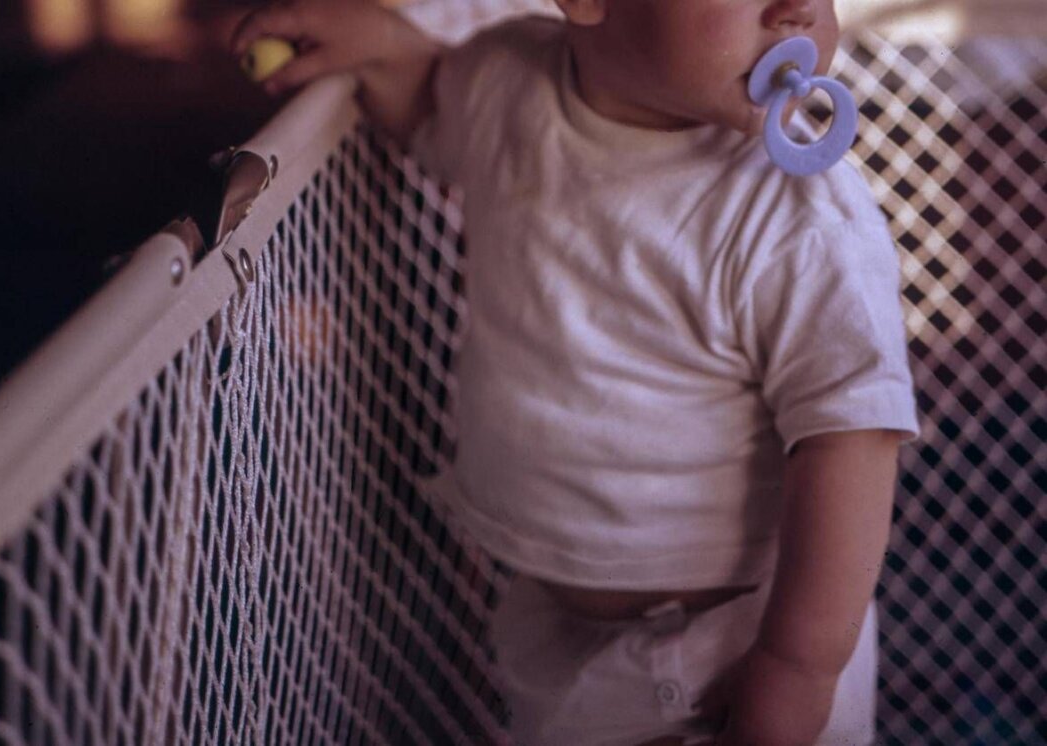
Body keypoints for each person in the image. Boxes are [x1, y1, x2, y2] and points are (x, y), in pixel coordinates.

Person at [230, 1, 920, 744]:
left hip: (739, 650)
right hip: (553, 635)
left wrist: (797, 666)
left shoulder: (800, 217)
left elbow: (851, 438)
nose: (801, 9)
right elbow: (431, 99)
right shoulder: (510, 82)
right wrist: (379, 43)